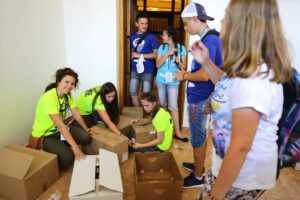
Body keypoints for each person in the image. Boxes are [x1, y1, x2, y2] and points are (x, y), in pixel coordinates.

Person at [188, 0, 293, 199]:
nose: (221, 20)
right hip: (229, 167)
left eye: (227, 16)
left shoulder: (254, 77)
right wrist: (206, 62)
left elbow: (241, 145)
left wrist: (215, 195)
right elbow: (225, 83)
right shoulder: (247, 65)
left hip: (242, 176)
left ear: (242, 25)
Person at [174, 2, 223, 188]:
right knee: (199, 136)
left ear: (195, 19)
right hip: (201, 96)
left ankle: (198, 176)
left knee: (197, 138)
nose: (185, 28)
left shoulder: (209, 40)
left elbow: (204, 75)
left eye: (186, 23)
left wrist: (184, 75)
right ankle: (198, 165)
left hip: (200, 98)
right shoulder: (209, 38)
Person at [31, 68, 101, 168]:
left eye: (72, 84)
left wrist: (87, 129)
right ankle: (55, 148)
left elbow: (76, 113)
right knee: (68, 158)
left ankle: (61, 144)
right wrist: (75, 147)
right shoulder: (49, 98)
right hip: (45, 135)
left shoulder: (67, 95)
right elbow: (60, 125)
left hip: (59, 130)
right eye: (66, 82)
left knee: (86, 137)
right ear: (59, 81)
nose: (69, 86)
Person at [156, 26, 188, 143]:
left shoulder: (181, 49)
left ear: (170, 37)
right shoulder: (161, 48)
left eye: (164, 35)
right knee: (162, 104)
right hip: (161, 80)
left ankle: (178, 133)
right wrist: (167, 54)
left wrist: (179, 63)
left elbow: (184, 67)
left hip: (174, 80)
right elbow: (157, 65)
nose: (162, 37)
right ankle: (164, 129)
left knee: (173, 106)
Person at [130, 12, 159, 107]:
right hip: (134, 69)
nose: (144, 26)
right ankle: (138, 116)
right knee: (133, 94)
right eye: (142, 23)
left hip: (148, 69)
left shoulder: (152, 37)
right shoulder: (131, 37)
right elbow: (130, 52)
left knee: (146, 97)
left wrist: (139, 55)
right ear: (136, 24)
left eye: (146, 23)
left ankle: (146, 117)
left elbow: (156, 54)